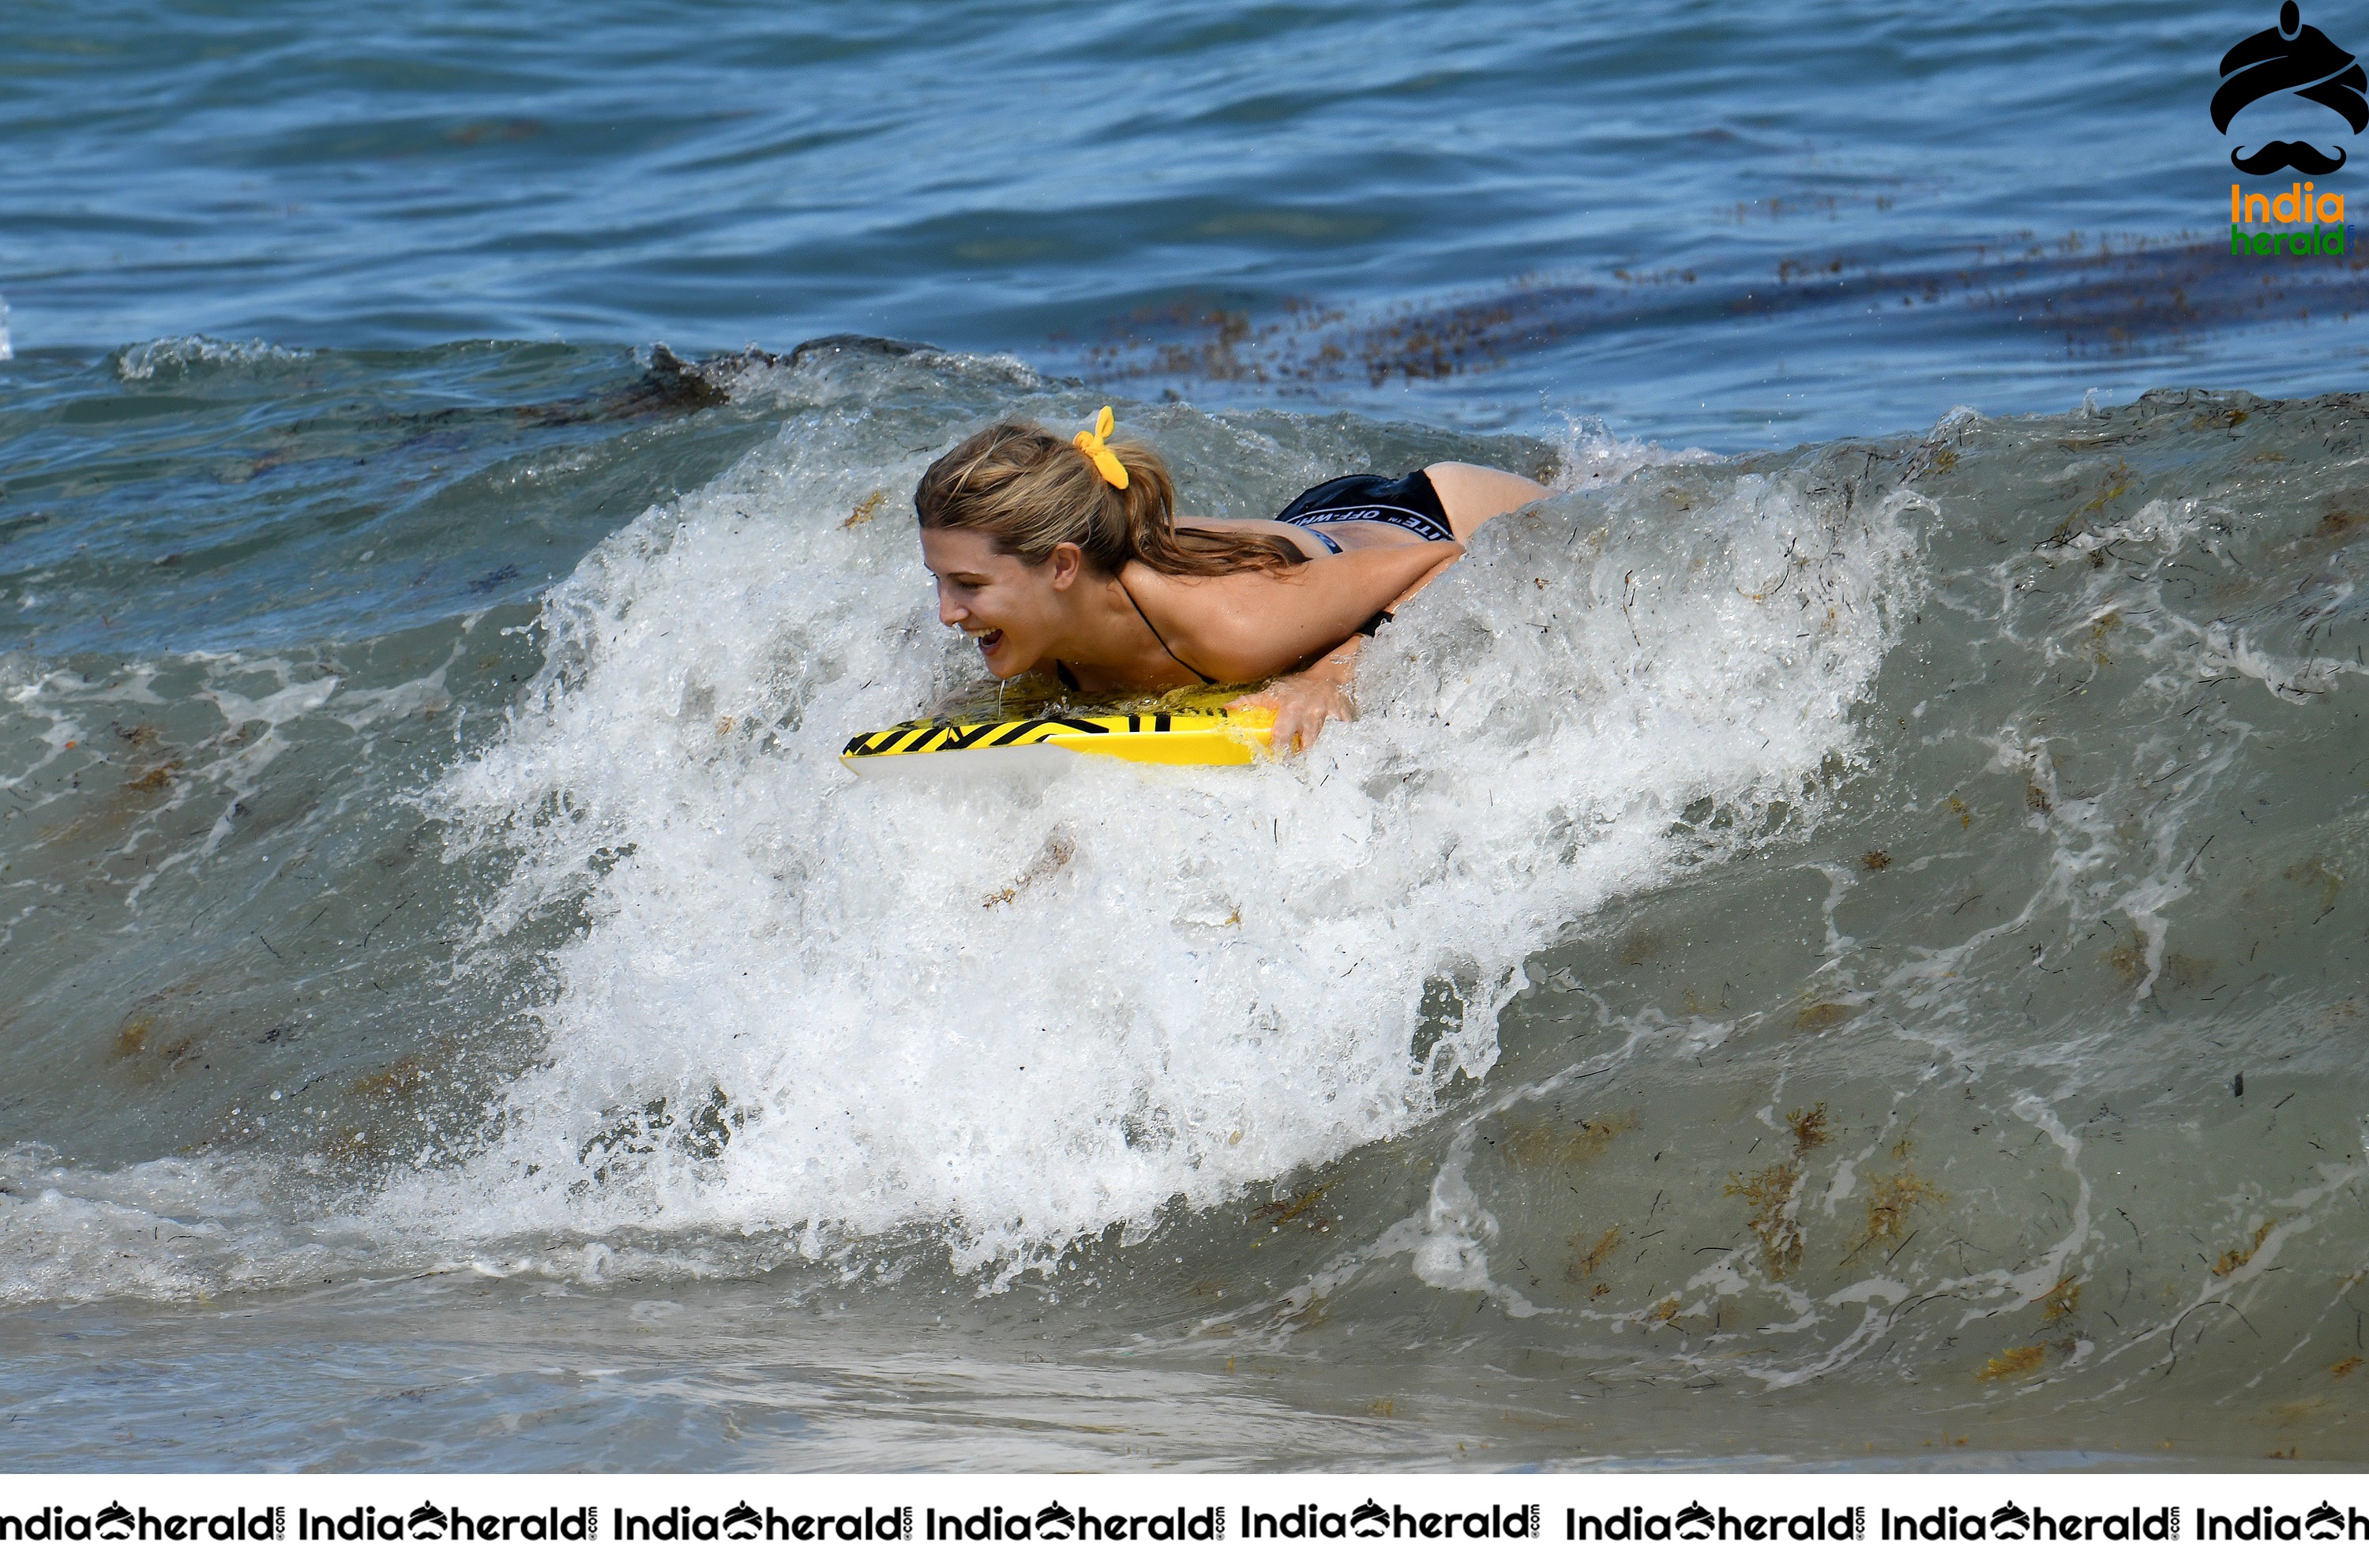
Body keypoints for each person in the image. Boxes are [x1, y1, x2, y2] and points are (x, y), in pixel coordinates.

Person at [914, 406, 1552, 752]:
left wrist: (1324, 678)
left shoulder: (1235, 626)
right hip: (1304, 536)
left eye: (968, 585)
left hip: (1433, 513)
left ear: (1061, 566)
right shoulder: (1042, 624)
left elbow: (1452, 558)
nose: (947, 612)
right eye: (939, 581)